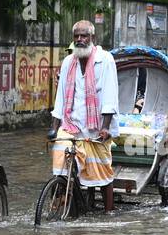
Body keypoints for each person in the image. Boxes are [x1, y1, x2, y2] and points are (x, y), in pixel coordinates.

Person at [48, 20, 119, 212]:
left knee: (102, 171)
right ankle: (65, 202)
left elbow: (110, 96)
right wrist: (54, 128)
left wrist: (105, 127)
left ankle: (108, 211)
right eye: (76, 36)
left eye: (84, 36)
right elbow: (60, 98)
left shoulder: (105, 59)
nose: (80, 39)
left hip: (96, 126)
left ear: (92, 38)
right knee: (61, 157)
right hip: (71, 124)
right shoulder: (68, 62)